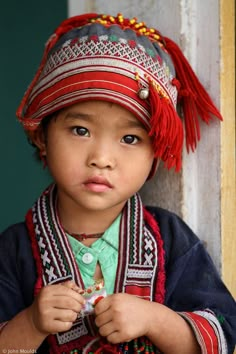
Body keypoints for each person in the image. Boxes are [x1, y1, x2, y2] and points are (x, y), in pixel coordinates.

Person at [0, 12, 235, 354]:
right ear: (42, 138)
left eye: (129, 138)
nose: (102, 157)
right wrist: (31, 323)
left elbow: (223, 338)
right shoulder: (14, 249)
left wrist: (156, 320)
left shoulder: (169, 238)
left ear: (156, 153)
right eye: (80, 130)